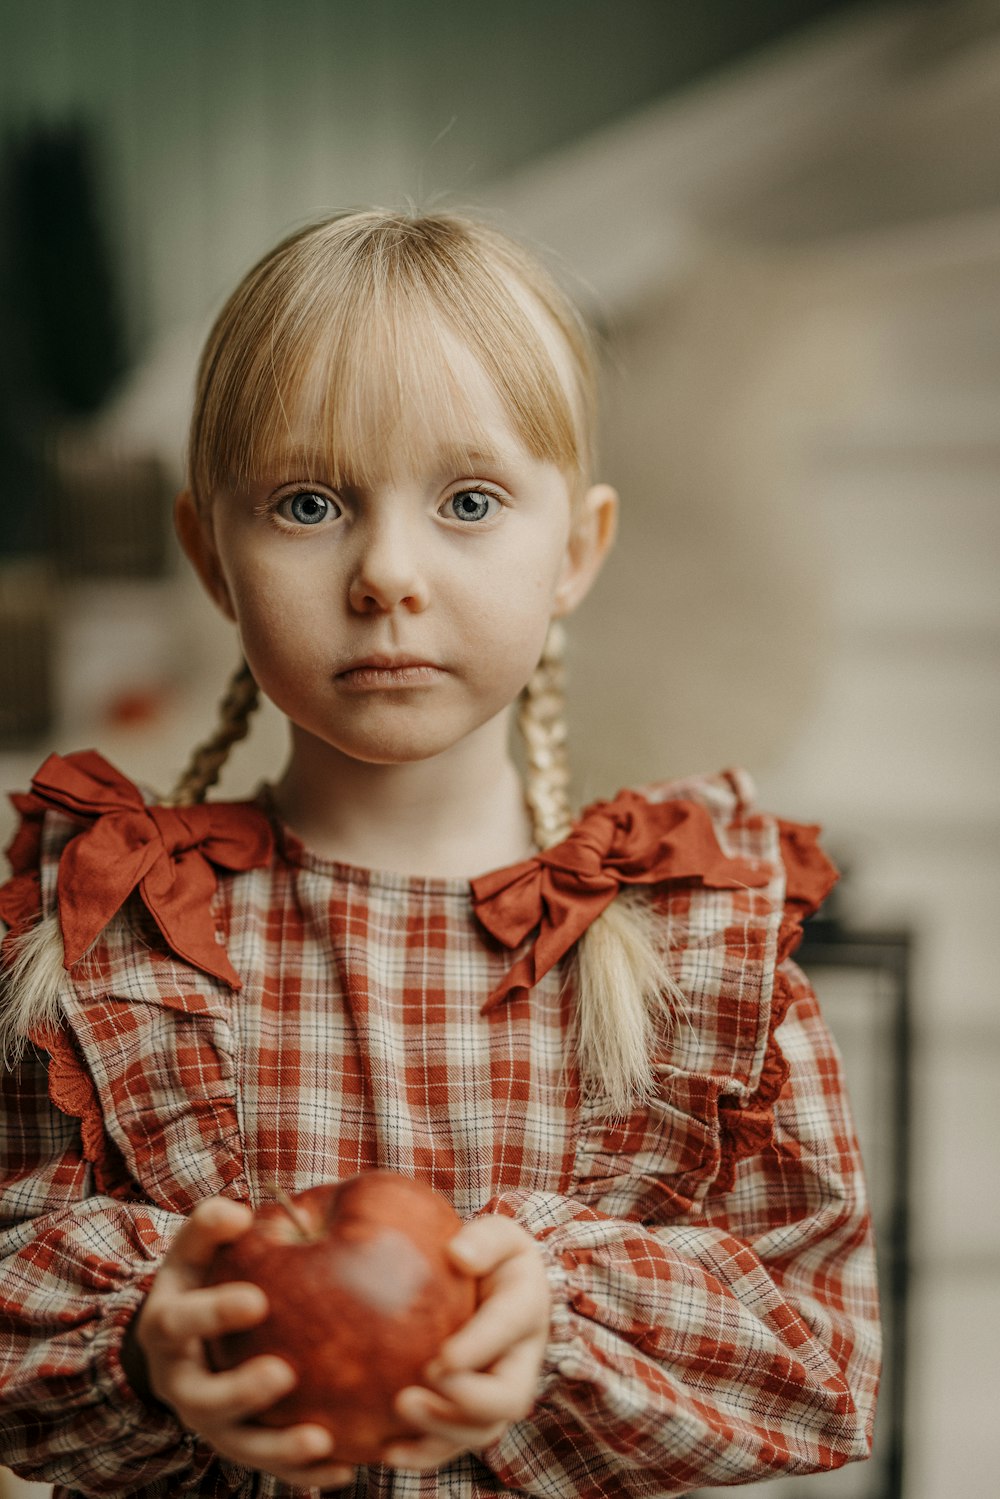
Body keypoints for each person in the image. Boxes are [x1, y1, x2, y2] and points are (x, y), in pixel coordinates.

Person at [0, 209, 880, 1499]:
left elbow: (817, 1361)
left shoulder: (692, 948)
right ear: (211, 559)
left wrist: (560, 1329)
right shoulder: (108, 935)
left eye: (469, 501)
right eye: (308, 504)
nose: (388, 573)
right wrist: (141, 1346)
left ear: (576, 550)